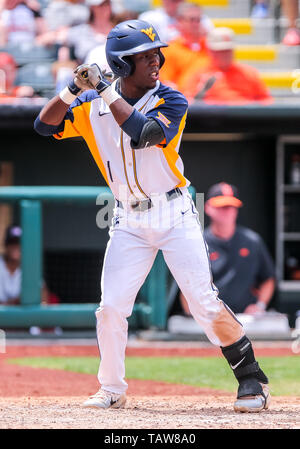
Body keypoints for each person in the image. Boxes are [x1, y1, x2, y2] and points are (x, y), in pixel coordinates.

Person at [34, 18, 271, 413]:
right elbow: (44, 126)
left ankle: (252, 379)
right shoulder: (93, 109)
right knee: (110, 307)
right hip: (128, 218)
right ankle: (111, 388)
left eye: (155, 53)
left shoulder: (172, 98)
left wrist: (105, 89)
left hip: (174, 211)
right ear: (122, 64)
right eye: (143, 57)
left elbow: (145, 133)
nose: (155, 61)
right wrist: (73, 87)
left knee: (203, 302)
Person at [180, 183, 276, 317]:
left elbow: (268, 278)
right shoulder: (197, 242)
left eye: (231, 206)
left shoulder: (252, 241)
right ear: (208, 208)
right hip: (210, 319)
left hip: (246, 320)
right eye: (221, 206)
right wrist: (194, 314)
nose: (227, 211)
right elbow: (186, 284)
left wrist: (260, 305)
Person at [180, 27, 273, 105]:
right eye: (220, 51)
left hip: (245, 120)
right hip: (210, 121)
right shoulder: (197, 73)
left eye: (227, 50)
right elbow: (188, 102)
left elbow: (266, 100)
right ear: (210, 51)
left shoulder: (248, 73)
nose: (224, 55)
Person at [158, 2, 213, 90]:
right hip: (184, 99)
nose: (196, 24)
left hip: (211, 97)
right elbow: (165, 82)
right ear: (179, 21)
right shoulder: (170, 50)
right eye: (192, 20)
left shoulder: (211, 47)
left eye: (198, 20)